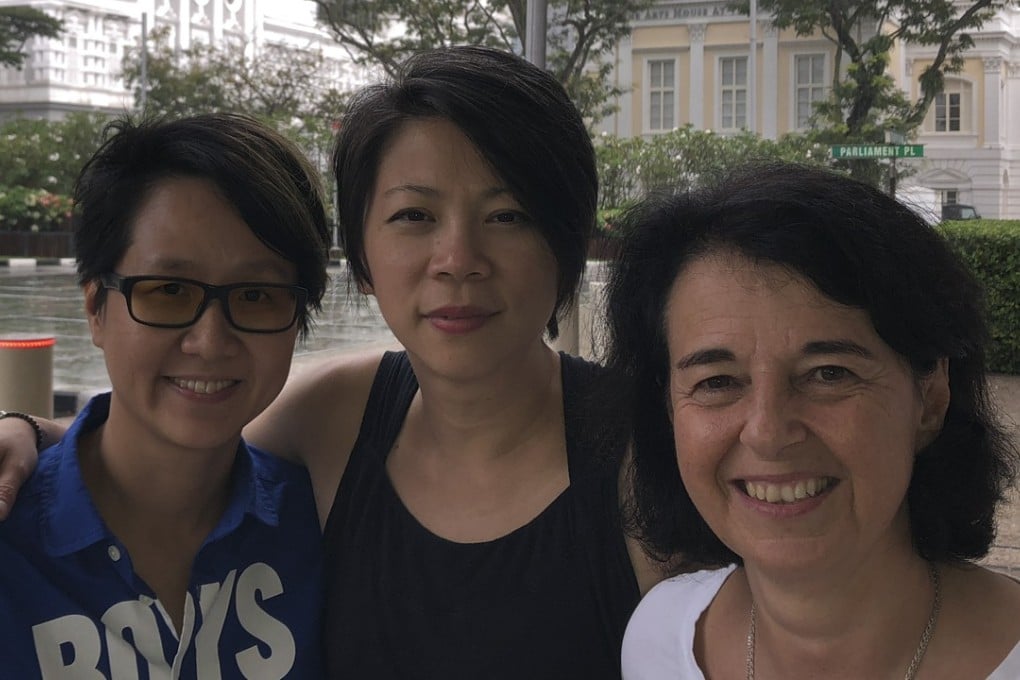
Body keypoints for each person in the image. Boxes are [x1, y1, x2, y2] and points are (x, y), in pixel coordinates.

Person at [0, 47, 662, 678]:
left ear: (567, 244)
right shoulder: (340, 416)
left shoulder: (650, 456)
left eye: (509, 215)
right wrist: (28, 433)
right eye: (414, 214)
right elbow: (175, 433)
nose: (457, 259)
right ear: (364, 261)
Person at [602, 163, 1020, 679]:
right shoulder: (660, 639)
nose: (767, 432)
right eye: (717, 381)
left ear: (931, 397)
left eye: (828, 373)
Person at [0, 113, 330, 677]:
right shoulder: (13, 540)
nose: (210, 341)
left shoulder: (324, 525)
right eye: (169, 290)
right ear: (96, 309)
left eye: (256, 295)